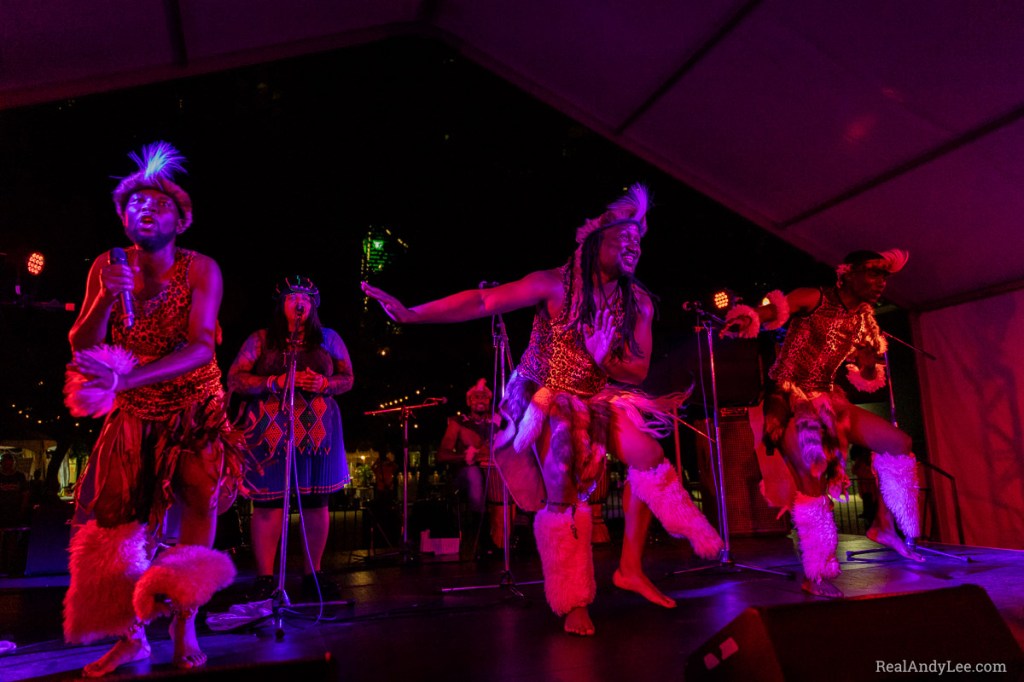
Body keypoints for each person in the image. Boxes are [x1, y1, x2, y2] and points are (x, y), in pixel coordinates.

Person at [362, 184, 723, 635]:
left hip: (596, 394)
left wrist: (602, 356)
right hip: (542, 393)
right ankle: (572, 598)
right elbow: (482, 301)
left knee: (649, 458)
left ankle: (630, 567)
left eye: (640, 241)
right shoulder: (552, 283)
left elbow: (638, 369)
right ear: (596, 239)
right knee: (562, 472)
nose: (635, 246)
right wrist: (413, 314)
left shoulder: (640, 303)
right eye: (624, 237)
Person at [62, 141, 245, 676]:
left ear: (181, 221)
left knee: (198, 504)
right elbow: (81, 342)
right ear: (124, 217)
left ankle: (183, 623)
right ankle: (130, 634)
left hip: (194, 409)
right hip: (134, 411)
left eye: (161, 204)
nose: (148, 209)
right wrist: (102, 297)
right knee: (117, 522)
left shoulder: (201, 269)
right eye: (137, 203)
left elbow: (200, 347)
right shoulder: (106, 265)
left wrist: (127, 377)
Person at [721, 249, 922, 598]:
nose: (881, 282)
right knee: (812, 477)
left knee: (899, 444)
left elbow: (868, 373)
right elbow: (772, 310)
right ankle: (815, 574)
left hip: (828, 398)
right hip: (787, 398)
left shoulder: (865, 319)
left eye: (885, 276)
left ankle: (883, 526)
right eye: (873, 273)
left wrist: (869, 362)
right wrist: (748, 317)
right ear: (846, 274)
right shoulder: (816, 297)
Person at [227, 276, 353, 601]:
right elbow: (236, 378)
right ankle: (266, 578)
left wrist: (324, 385)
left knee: (315, 502)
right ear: (281, 304)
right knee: (268, 503)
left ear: (313, 307)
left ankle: (314, 573)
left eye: (306, 299)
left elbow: (348, 377)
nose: (299, 303)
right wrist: (273, 380)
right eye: (291, 297)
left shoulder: (329, 338)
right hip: (269, 430)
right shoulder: (261, 339)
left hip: (318, 430)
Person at [437, 378, 511, 557]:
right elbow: (442, 455)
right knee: (474, 474)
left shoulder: (497, 421)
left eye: (485, 397)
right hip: (465, 475)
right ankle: (482, 538)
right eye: (476, 397)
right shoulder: (458, 423)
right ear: (469, 401)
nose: (481, 400)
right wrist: (465, 456)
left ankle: (510, 538)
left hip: (492, 472)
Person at [0, 452, 31, 575]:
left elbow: (25, 495)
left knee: (12, 539)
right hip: (1, 513)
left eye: (10, 462)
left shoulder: (19, 477)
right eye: (5, 462)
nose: (7, 464)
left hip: (14, 513)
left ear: (13, 463)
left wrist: (22, 510)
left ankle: (10, 565)